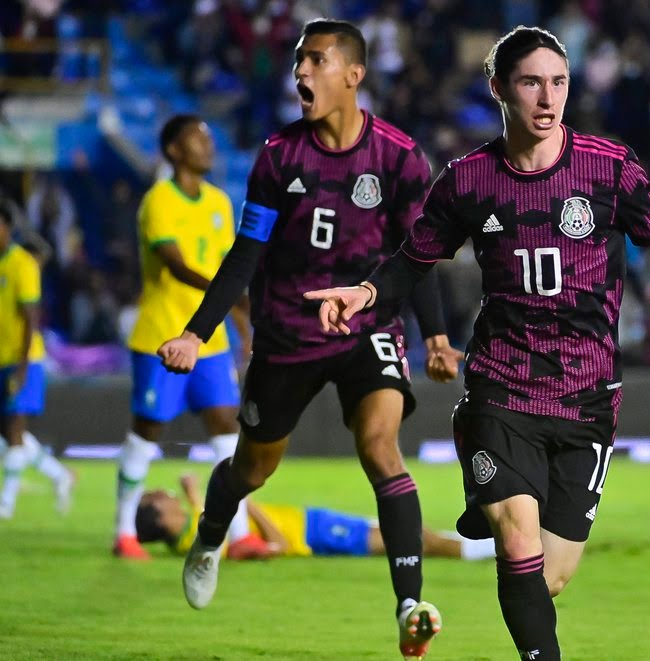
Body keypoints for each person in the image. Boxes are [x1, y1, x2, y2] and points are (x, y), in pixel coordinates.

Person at [303, 26, 650, 660]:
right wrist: (363, 294)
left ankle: (496, 549)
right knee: (518, 541)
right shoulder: (468, 180)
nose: (548, 97)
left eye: (559, 81)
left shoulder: (609, 169)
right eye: (531, 82)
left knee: (548, 576)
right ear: (500, 88)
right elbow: (412, 261)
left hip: (586, 400)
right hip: (501, 389)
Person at [157, 19, 461, 660]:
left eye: (315, 61)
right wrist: (194, 332)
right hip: (288, 332)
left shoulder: (401, 157)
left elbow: (418, 253)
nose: (300, 73)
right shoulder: (278, 157)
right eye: (299, 63)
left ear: (354, 74)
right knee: (252, 468)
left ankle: (409, 606)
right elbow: (246, 254)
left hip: (365, 327)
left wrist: (435, 336)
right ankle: (211, 535)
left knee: (382, 449)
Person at [113, 115, 261, 560]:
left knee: (226, 430)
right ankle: (124, 533)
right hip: (162, 336)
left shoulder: (218, 202)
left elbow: (228, 269)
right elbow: (177, 266)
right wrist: (230, 296)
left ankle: (240, 535)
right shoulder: (158, 200)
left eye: (209, 138)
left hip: (210, 342)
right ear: (174, 150)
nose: (207, 145)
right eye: (197, 138)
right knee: (148, 431)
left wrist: (241, 325)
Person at [134, 473, 496, 562]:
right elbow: (272, 545)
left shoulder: (189, 540)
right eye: (159, 499)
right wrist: (248, 503)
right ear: (160, 518)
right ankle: (489, 552)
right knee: (414, 539)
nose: (167, 496)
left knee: (410, 531)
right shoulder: (195, 541)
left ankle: (484, 545)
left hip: (314, 523)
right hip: (315, 536)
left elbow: (206, 513)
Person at [0, 204, 75, 519]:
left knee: (15, 432)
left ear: (8, 228)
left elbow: (31, 318)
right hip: (2, 358)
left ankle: (5, 505)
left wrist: (21, 367)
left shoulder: (22, 264)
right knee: (9, 435)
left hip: (23, 359)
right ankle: (60, 475)